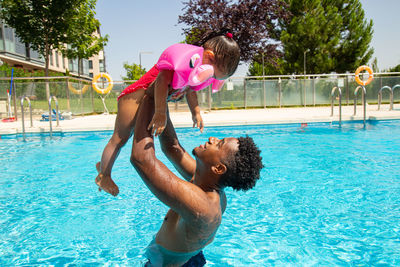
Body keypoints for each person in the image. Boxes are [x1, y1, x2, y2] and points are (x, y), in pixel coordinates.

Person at [95, 32, 241, 196]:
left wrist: (196, 112)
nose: (210, 79)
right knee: (120, 138)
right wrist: (160, 112)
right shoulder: (187, 61)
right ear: (209, 57)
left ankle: (104, 165)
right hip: (134, 96)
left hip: (146, 99)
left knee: (124, 138)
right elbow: (161, 82)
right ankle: (104, 176)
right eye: (213, 75)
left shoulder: (197, 69)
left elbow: (190, 91)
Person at [131, 94, 263, 266]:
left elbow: (141, 159)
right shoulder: (207, 182)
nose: (212, 139)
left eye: (219, 144)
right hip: (187, 257)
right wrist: (161, 101)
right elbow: (172, 148)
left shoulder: (201, 205)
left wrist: (149, 98)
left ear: (218, 168)